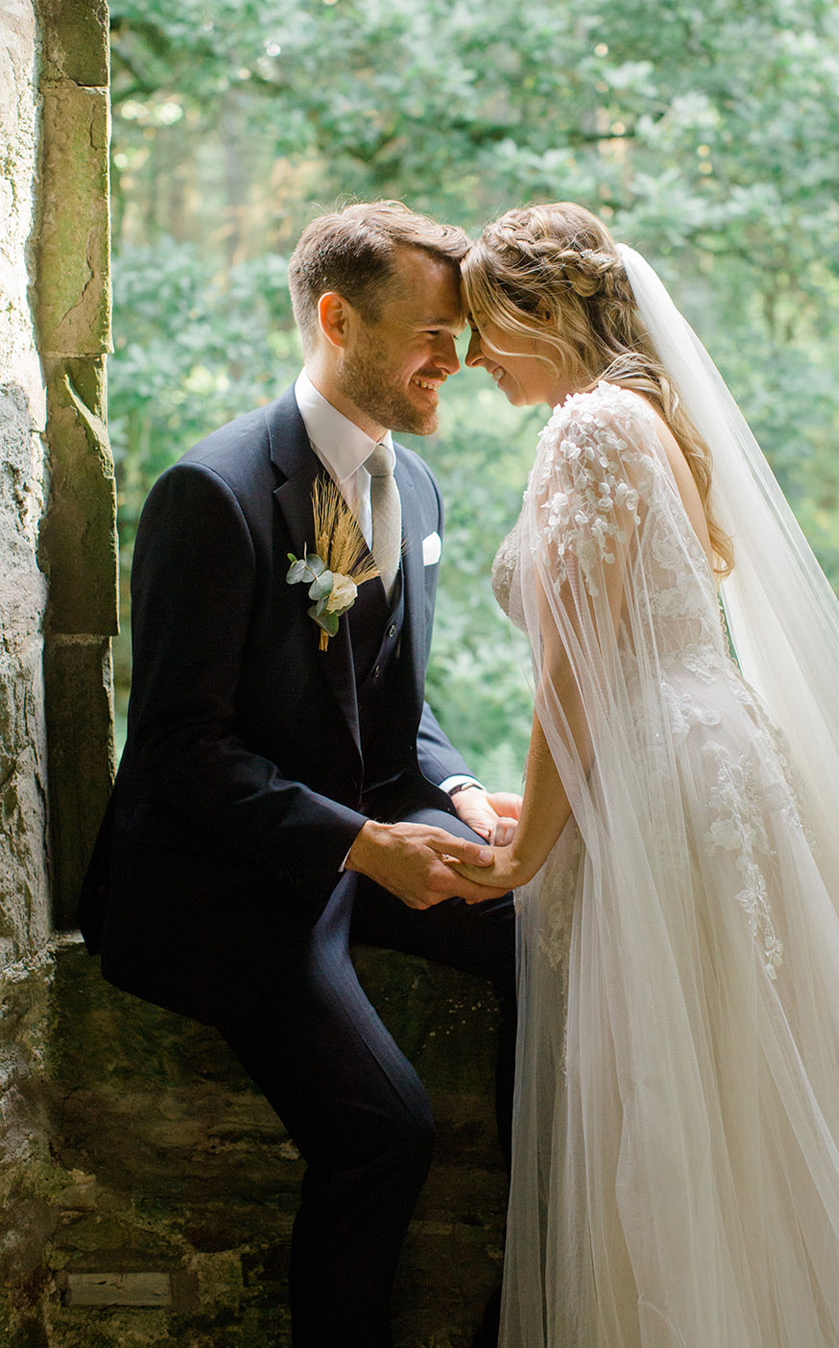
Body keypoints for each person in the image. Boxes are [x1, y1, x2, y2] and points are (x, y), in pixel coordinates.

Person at [455, 200, 839, 1347]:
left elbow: (573, 676)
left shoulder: (587, 429)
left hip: (657, 777)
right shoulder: (647, 419)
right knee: (731, 1104)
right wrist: (546, 806)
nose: (472, 356)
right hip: (700, 759)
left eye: (482, 327)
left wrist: (525, 848)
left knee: (665, 1109)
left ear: (538, 313)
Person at [79, 200, 519, 1348]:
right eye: (434, 332)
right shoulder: (213, 493)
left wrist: (463, 794)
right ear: (337, 318)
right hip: (231, 884)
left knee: (550, 937)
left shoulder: (415, 493)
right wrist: (366, 844)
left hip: (355, 842)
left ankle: (532, 1293)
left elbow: (395, 714)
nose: (458, 361)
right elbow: (177, 750)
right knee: (386, 1129)